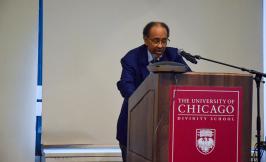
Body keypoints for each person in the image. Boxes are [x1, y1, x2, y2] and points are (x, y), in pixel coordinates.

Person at [116, 21, 191, 162]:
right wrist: (144, 102)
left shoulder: (174, 55)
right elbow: (126, 85)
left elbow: (189, 80)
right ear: (145, 40)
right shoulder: (132, 58)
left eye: (164, 41)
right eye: (156, 41)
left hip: (166, 128)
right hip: (135, 126)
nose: (161, 46)